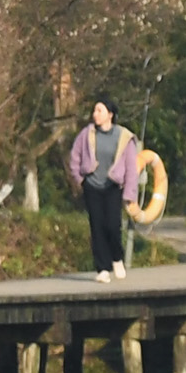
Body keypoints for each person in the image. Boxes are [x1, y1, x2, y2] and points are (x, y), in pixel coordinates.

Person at [66, 97, 144, 278]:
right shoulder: (87, 134)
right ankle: (102, 268)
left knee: (113, 226)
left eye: (99, 111)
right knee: (97, 227)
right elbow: (75, 157)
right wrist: (80, 179)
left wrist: (129, 193)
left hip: (113, 187)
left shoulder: (124, 137)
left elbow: (131, 168)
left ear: (110, 114)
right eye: (94, 111)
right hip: (92, 186)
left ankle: (117, 258)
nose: (95, 114)